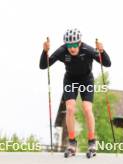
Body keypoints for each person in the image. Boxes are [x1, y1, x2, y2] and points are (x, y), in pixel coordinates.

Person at [39, 28, 111, 156]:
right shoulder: (62, 51)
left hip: (86, 80)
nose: (71, 48)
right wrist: (45, 51)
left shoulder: (88, 50)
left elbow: (107, 63)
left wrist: (102, 50)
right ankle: (72, 142)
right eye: (69, 45)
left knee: (87, 109)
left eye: (74, 45)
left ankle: (91, 142)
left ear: (79, 43)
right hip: (70, 80)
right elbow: (44, 66)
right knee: (70, 108)